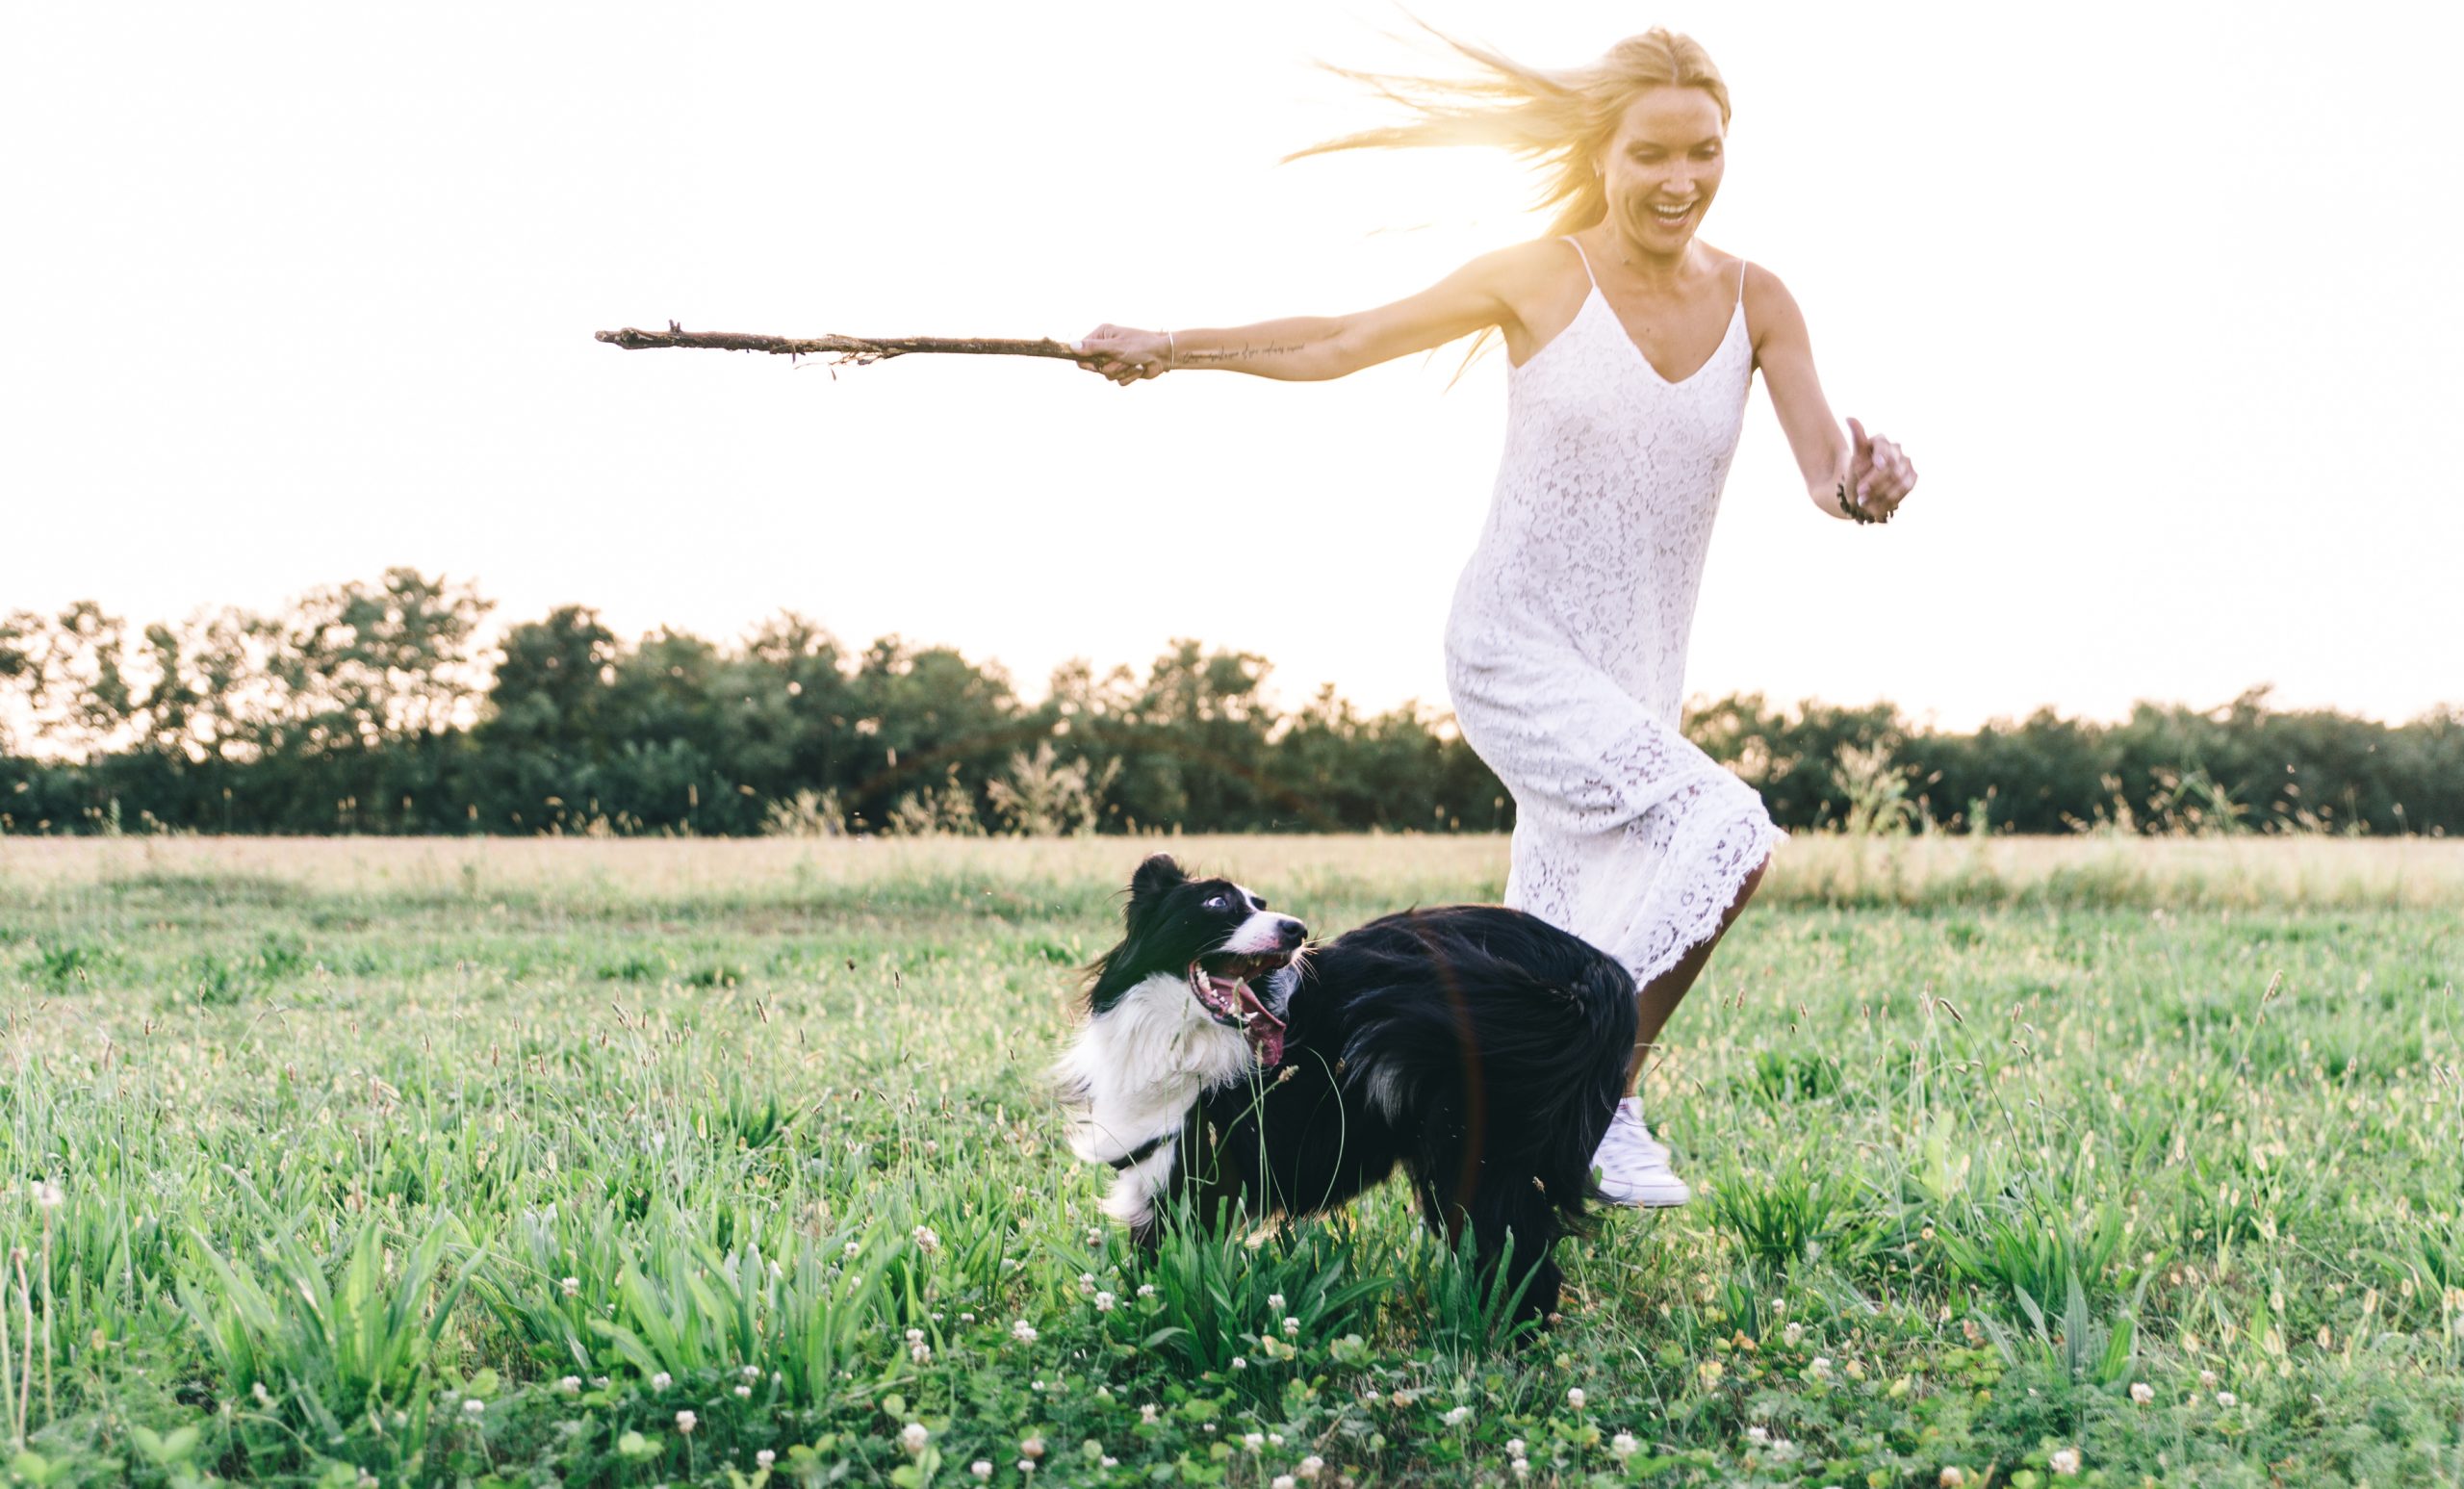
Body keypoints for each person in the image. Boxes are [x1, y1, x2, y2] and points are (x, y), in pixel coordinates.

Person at [1068, 25, 1917, 1207]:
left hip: (1637, 676)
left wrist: (1869, 483)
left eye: (1706, 153)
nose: (1680, 180)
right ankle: (1602, 1093)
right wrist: (1172, 346)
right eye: (1653, 154)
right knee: (1729, 828)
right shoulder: (1539, 276)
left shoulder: (1756, 298)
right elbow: (1341, 341)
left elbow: (1830, 473)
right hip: (1516, 645)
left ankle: (1485, 1155)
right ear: (1603, 152)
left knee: (1551, 928)